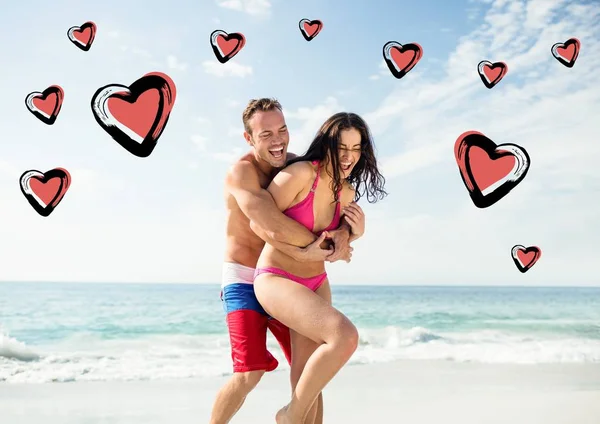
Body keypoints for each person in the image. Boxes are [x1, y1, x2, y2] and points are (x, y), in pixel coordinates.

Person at [209, 98, 357, 424]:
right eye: (266, 134)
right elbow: (266, 220)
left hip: (285, 275)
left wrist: (345, 234)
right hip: (245, 277)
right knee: (251, 372)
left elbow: (334, 198)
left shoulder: (297, 165)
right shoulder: (241, 173)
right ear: (249, 138)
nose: (277, 140)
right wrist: (319, 247)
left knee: (310, 374)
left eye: (283, 130)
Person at [251, 112, 387, 424]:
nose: (348, 156)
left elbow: (336, 245)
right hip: (277, 278)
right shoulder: (300, 174)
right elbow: (259, 222)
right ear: (326, 144)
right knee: (344, 337)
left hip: (316, 283)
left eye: (356, 148)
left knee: (308, 379)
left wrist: (355, 233)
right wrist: (300, 254)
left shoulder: (348, 193)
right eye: (341, 146)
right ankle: (288, 416)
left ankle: (296, 417)